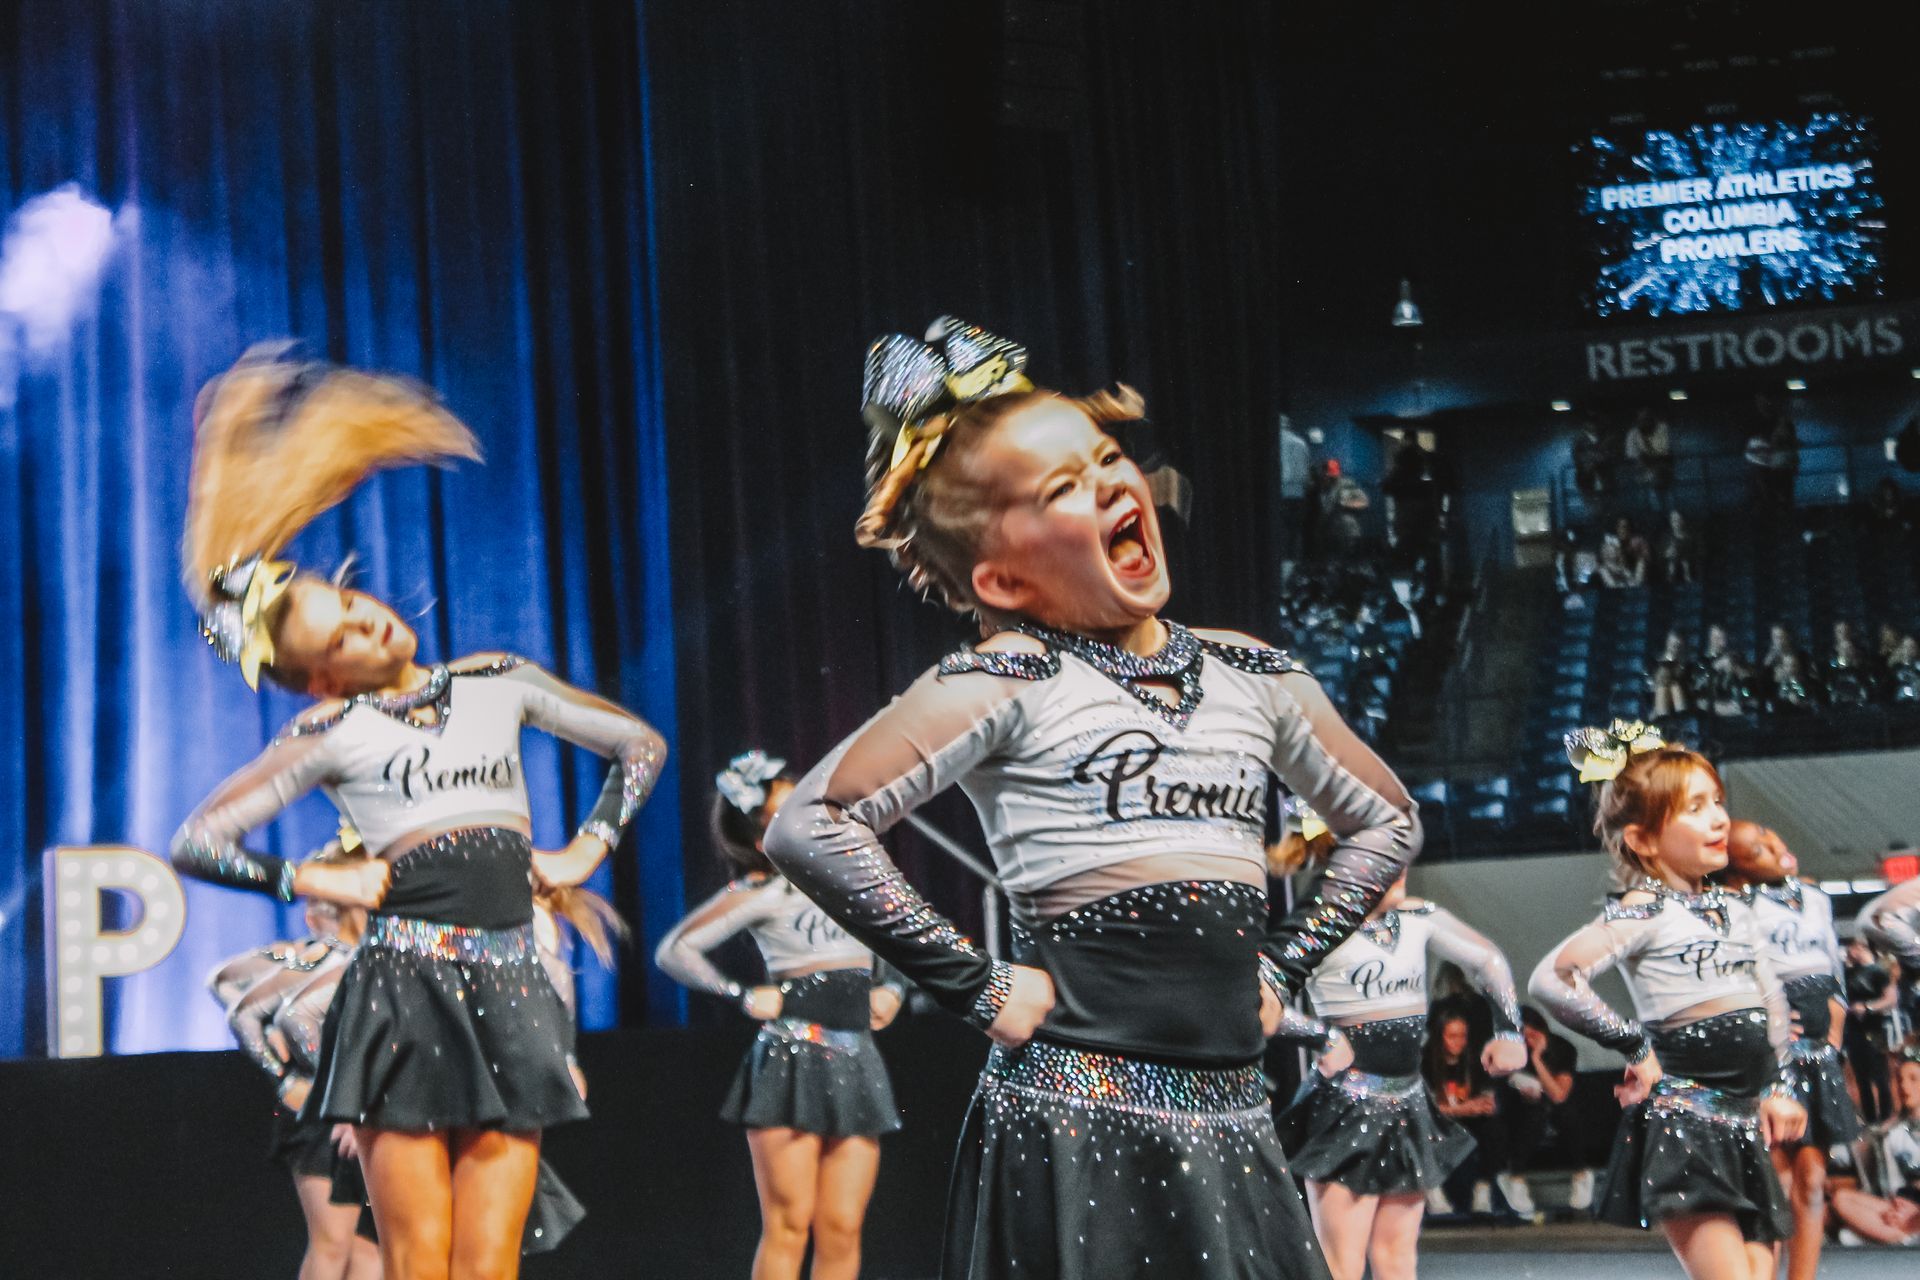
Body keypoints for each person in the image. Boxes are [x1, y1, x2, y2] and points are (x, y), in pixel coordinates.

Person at [764, 317, 1423, 1279]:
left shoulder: (1254, 675)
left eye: (1107, 458)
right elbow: (809, 822)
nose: (1111, 485)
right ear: (1003, 578)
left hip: (1235, 1114)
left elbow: (1389, 819)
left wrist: (1283, 969)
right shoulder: (1012, 676)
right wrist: (975, 982)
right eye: (1062, 489)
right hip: (1073, 1118)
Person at [169, 346, 667, 1279]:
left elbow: (639, 746)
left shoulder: (497, 679)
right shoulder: (330, 730)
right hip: (400, 997)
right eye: (342, 637)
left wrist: (586, 849)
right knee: (418, 1261)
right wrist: (305, 875)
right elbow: (197, 839)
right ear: (320, 677)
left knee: (490, 1263)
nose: (369, 623)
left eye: (355, 603)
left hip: (513, 984)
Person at [1529, 722, 1804, 1280]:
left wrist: (1779, 1088)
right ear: (1644, 839)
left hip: (1746, 1119)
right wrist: (1633, 1045)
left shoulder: (1735, 909)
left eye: (1718, 803)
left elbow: (1771, 999)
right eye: (1696, 808)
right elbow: (1551, 980)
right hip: (1688, 1123)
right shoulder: (1644, 910)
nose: (1719, 818)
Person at [655, 752, 905, 1280]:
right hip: (793, 1057)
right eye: (784, 807)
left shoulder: (847, 877)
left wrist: (893, 990)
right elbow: (675, 951)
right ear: (758, 826)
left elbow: (901, 943)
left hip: (858, 1056)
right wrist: (740, 995)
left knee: (842, 1227)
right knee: (790, 1223)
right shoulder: (762, 890)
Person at [1276, 872, 1525, 1279]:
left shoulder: (1418, 916)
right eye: (1386, 854)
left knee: (1397, 1259)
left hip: (1406, 1104)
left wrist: (1509, 1029)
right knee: (1342, 1266)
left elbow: (1488, 959)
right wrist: (1321, 1035)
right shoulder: (1318, 924)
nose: (1399, 867)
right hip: (1343, 1110)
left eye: (1402, 854)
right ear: (1348, 860)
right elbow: (1255, 996)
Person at [209, 864, 378, 1280]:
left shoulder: (371, 956)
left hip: (366, 1110)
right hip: (323, 1116)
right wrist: (286, 1074)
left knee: (372, 1254)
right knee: (333, 1245)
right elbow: (233, 996)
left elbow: (227, 989)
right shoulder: (311, 956)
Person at [1719, 822, 1858, 1280]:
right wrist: (1765, 1028)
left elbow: (1834, 969)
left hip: (1819, 1051)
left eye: (1770, 836)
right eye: (1757, 850)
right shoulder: (1739, 906)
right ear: (1739, 871)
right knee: (1773, 1181)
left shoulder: (1816, 897)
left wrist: (1835, 1038)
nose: (1777, 847)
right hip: (1774, 1052)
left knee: (1813, 1181)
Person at [1497, 1006, 1590, 1218]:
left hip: (1559, 1107)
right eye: (1522, 1037)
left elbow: (1558, 1094)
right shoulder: (1512, 1053)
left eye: (1532, 1035)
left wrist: (1538, 1060)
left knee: (1565, 1112)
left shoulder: (1562, 1048)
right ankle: (1516, 1178)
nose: (1528, 1041)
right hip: (1523, 1110)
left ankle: (1581, 1174)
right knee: (1533, 1114)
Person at [1831, 1057, 1920, 1246]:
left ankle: (1901, 1233)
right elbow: (1891, 1185)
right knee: (1841, 1199)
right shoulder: (1891, 1132)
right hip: (1901, 1206)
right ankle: (1903, 1236)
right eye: (1900, 1080)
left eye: (1913, 1079)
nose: (1905, 1087)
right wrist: (1900, 1204)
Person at [1843, 936, 1899, 1124]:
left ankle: (1885, 1114)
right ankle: (1870, 1117)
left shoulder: (1878, 972)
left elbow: (1890, 999)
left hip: (1873, 1029)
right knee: (1861, 1077)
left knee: (1880, 1075)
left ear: (1860, 947)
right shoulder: (1849, 973)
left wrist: (1868, 1007)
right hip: (1854, 1030)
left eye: (1853, 947)